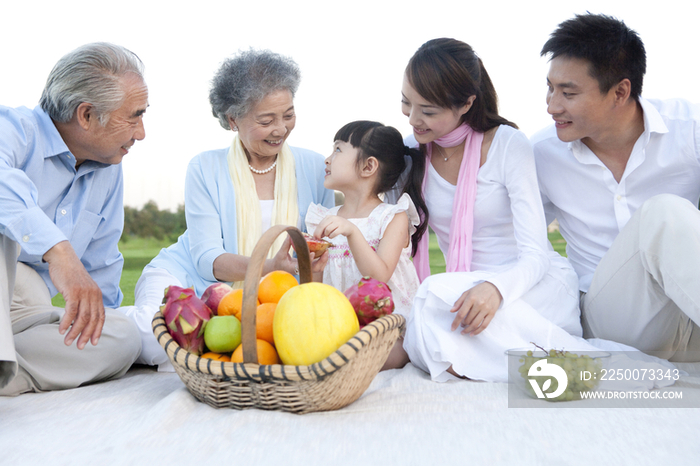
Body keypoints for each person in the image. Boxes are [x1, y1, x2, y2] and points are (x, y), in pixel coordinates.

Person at [122, 50, 334, 370]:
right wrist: (269, 265)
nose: (280, 129)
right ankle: (109, 321)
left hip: (267, 297)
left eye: (288, 115)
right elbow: (207, 260)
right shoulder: (205, 167)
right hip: (186, 280)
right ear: (233, 120)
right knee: (156, 342)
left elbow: (322, 247)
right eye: (266, 120)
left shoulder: (316, 166)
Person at [397, 38, 582, 382]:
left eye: (428, 110)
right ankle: (542, 364)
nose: (413, 119)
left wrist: (495, 289)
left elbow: (536, 255)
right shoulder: (411, 150)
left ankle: (559, 360)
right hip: (459, 294)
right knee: (428, 307)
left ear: (466, 103)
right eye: (406, 103)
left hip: (528, 285)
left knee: (429, 305)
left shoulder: (508, 145)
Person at [532, 13, 700, 362]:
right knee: (663, 214)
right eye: (550, 87)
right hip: (613, 322)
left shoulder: (690, 129)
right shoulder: (542, 154)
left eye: (568, 92)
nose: (552, 106)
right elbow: (517, 240)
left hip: (688, 314)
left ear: (620, 91)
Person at [0, 43, 146, 395]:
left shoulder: (109, 170)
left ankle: (8, 371)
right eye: (134, 116)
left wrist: (102, 323)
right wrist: (60, 252)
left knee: (124, 337)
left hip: (23, 317)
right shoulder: (14, 129)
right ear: (86, 115)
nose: (140, 133)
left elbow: (101, 265)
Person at [305, 120, 428, 316]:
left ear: (368, 166)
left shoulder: (392, 218)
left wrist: (352, 233)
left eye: (338, 149)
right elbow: (317, 288)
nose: (327, 159)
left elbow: (378, 278)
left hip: (388, 326)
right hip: (341, 325)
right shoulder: (325, 219)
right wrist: (311, 266)